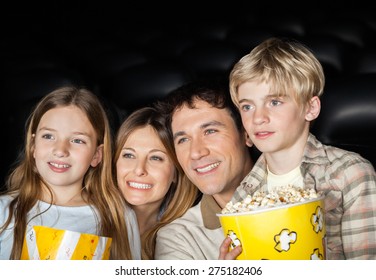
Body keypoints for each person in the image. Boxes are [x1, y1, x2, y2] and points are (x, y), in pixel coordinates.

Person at [226, 37, 376, 259]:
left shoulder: (350, 174)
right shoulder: (243, 195)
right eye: (247, 106)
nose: (258, 118)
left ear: (310, 108)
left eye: (274, 102)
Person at [0, 86, 141, 260]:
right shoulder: (3, 212)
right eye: (48, 136)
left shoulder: (119, 217)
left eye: (77, 140)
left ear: (97, 155)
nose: (60, 150)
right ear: (32, 146)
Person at [153, 79, 254, 259]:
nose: (196, 152)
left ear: (246, 133)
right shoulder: (178, 239)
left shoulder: (311, 190)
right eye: (183, 140)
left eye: (210, 131)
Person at [114, 106, 198, 259]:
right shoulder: (90, 220)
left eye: (155, 158)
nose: (139, 169)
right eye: (129, 155)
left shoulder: (188, 236)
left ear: (176, 173)